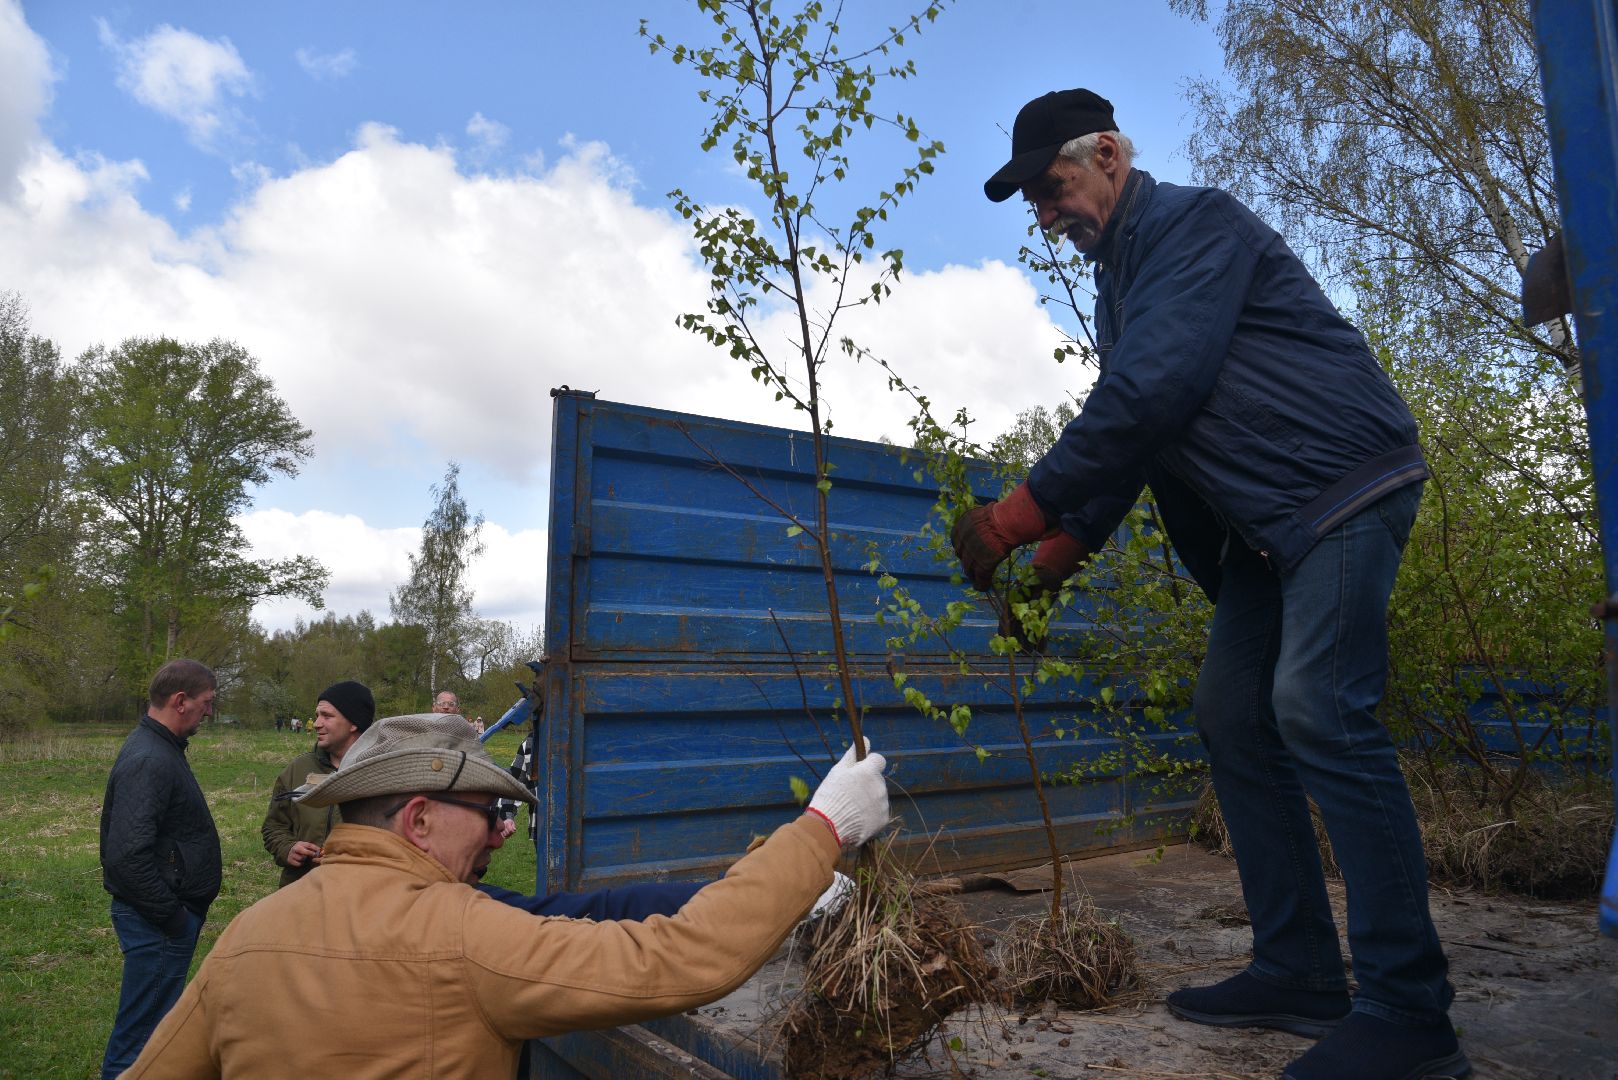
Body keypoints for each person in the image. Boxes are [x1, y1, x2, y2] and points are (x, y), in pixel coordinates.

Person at [964, 89, 1464, 1080]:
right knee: (1231, 715)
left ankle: (1409, 1014)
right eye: (1031, 201)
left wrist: (1015, 515)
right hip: (1270, 532)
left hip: (1341, 488)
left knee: (1318, 709)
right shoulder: (1120, 285)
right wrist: (1053, 564)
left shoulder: (1195, 224)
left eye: (1051, 187)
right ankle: (1298, 970)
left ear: (1106, 153)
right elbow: (1139, 434)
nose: (1043, 213)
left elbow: (1153, 390)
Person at [121, 712, 888, 1077]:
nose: (499, 835)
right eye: (490, 815)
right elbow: (684, 958)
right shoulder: (464, 937)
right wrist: (822, 829)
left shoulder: (248, 936)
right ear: (419, 820)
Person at [98, 659, 223, 1080]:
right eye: (206, 703)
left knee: (151, 1029)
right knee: (139, 1040)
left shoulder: (161, 749)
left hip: (163, 919)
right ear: (181, 701)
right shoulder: (150, 759)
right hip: (156, 921)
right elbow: (125, 856)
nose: (209, 711)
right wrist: (174, 919)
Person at [260, 680, 375, 887]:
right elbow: (274, 826)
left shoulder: (382, 773)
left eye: (327, 716)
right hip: (301, 893)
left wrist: (350, 857)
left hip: (360, 897)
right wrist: (288, 848)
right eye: (317, 715)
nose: (317, 723)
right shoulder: (298, 769)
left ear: (353, 723)